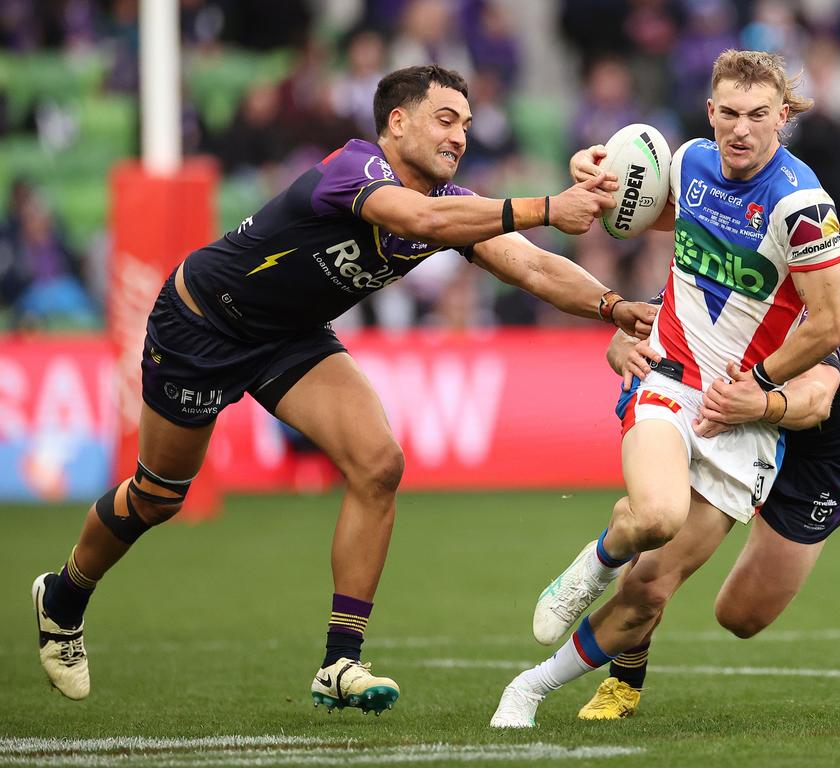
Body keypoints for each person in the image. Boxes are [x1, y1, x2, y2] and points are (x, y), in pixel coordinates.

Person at [31, 64, 657, 713]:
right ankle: (65, 595)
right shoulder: (355, 170)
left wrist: (614, 307)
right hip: (203, 322)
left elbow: (527, 262)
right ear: (397, 123)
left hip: (290, 336)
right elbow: (421, 219)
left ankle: (340, 662)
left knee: (379, 464)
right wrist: (549, 206)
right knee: (159, 495)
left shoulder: (447, 204)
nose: (460, 137)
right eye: (446, 121)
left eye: (467, 126)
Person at [491, 48, 840, 726]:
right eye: (729, 115)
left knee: (651, 589)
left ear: (783, 118)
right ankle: (595, 562)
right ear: (711, 113)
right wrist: (594, 176)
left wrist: (761, 388)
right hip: (672, 380)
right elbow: (634, 212)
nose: (741, 130)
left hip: (743, 419)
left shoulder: (803, 207)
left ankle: (529, 688)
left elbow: (831, 323)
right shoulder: (689, 163)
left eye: (757, 116)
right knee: (656, 516)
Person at [491, 327, 840, 727]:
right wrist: (624, 352)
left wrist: (762, 403)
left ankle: (629, 527)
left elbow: (817, 399)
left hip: (811, 466)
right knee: (649, 581)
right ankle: (612, 679)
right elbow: (626, 336)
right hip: (728, 432)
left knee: (740, 617)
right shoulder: (719, 281)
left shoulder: (805, 313)